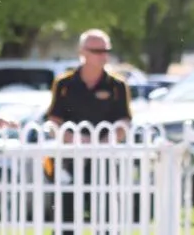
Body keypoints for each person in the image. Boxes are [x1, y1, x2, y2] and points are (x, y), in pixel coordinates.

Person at [44, 29, 133, 235]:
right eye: (97, 51)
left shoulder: (117, 85)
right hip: (70, 159)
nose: (103, 55)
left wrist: (108, 140)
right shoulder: (64, 83)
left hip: (104, 160)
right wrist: (73, 139)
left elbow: (125, 120)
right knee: (65, 216)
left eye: (106, 50)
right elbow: (53, 121)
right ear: (82, 52)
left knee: (106, 217)